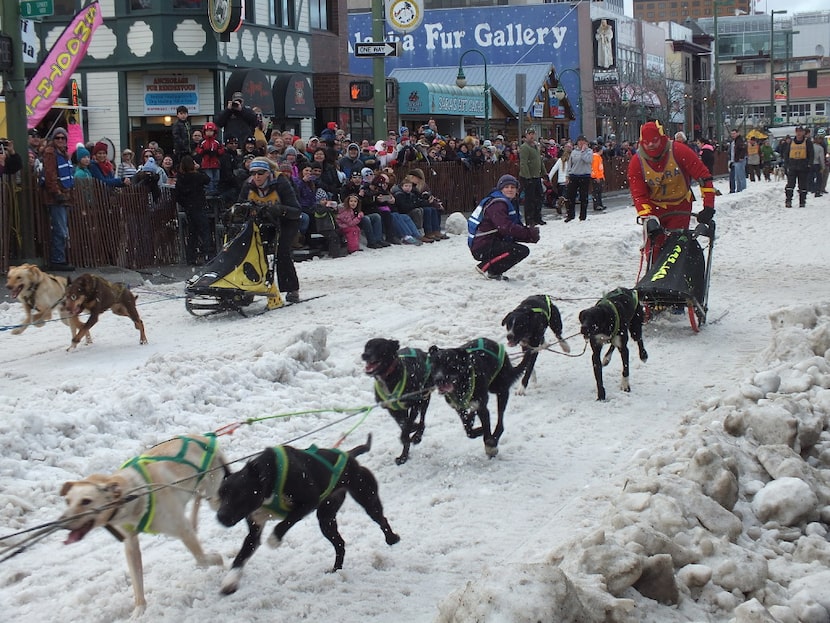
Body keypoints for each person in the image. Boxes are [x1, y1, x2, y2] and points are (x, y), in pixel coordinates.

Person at [627, 120, 716, 259]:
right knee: (654, 250)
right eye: (647, 142)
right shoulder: (637, 162)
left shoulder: (680, 151)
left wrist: (708, 206)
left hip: (680, 206)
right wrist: (647, 216)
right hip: (654, 208)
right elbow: (639, 194)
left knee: (676, 248)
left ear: (661, 138)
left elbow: (704, 177)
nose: (650, 145)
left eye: (654, 141)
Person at [237, 157, 302, 302]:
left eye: (260, 173)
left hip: (286, 221)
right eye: (253, 173)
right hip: (263, 221)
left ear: (268, 173)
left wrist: (278, 209)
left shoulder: (281, 182)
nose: (257, 176)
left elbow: (296, 210)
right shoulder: (248, 186)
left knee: (282, 251)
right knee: (253, 251)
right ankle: (252, 285)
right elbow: (240, 206)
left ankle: (291, 288)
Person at [468, 174, 540, 281]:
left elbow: (509, 230)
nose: (510, 190)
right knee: (519, 251)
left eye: (512, 187)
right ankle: (486, 266)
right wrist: (528, 233)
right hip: (483, 245)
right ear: (500, 189)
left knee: (519, 250)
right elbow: (505, 227)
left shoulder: (504, 202)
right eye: (506, 187)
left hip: (486, 242)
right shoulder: (497, 204)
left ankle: (493, 272)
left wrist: (529, 236)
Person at [40, 127, 75, 271]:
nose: (60, 140)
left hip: (65, 195)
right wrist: (57, 193)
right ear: (53, 140)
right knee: (59, 229)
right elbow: (50, 175)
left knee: (62, 229)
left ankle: (59, 258)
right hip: (56, 197)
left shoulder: (63, 153)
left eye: (63, 138)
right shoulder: (50, 152)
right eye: (57, 138)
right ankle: (57, 259)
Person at [173, 155, 211, 265]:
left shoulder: (181, 179)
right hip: (198, 206)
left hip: (189, 208)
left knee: (192, 232)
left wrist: (186, 204)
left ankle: (191, 257)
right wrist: (199, 169)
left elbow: (178, 195)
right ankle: (207, 254)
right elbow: (207, 179)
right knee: (204, 230)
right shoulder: (197, 176)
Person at [781, 125, 814, 208]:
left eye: (800, 131)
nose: (799, 133)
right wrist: (787, 164)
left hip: (803, 166)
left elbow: (811, 154)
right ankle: (788, 201)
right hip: (792, 165)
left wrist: (809, 164)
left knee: (802, 185)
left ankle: (802, 201)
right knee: (790, 184)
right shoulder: (791, 143)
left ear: (803, 133)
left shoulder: (807, 142)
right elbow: (786, 154)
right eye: (797, 131)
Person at [519, 128, 546, 226]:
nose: (531, 136)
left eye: (533, 134)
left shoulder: (535, 147)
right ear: (526, 136)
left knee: (539, 197)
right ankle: (529, 219)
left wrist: (544, 172)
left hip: (536, 176)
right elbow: (523, 163)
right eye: (530, 134)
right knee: (530, 199)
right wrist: (527, 177)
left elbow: (539, 160)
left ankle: (537, 217)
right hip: (528, 177)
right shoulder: (524, 147)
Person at [564, 135, 593, 222]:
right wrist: (567, 175)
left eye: (583, 141)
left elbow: (588, 160)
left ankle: (583, 216)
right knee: (570, 196)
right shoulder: (574, 152)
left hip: (584, 175)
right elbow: (570, 164)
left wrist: (583, 151)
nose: (581, 143)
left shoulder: (589, 152)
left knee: (583, 197)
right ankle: (570, 215)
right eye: (579, 141)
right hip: (574, 175)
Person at [195, 121, 224, 195]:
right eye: (207, 131)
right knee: (209, 179)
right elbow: (198, 150)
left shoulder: (217, 142)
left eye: (211, 131)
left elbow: (222, 150)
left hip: (216, 163)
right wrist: (204, 151)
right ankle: (210, 192)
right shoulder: (203, 142)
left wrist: (217, 152)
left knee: (216, 179)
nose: (209, 133)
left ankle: (215, 191)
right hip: (206, 163)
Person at [547, 144, 571, 216]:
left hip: (560, 181)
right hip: (567, 180)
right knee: (567, 197)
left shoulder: (560, 160)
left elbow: (554, 169)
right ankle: (566, 209)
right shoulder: (570, 160)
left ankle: (560, 205)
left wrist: (549, 178)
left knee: (562, 196)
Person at [728, 128, 747, 193]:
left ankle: (743, 189)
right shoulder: (735, 141)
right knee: (737, 176)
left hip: (739, 160)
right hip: (735, 160)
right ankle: (739, 189)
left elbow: (743, 149)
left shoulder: (739, 141)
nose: (733, 135)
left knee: (741, 175)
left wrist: (741, 157)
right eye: (732, 134)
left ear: (738, 133)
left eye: (734, 133)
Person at [591, 143, 606, 212]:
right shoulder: (595, 157)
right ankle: (597, 205)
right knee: (596, 192)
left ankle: (600, 204)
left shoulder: (598, 157)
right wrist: (597, 177)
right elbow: (595, 168)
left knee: (598, 192)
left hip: (599, 176)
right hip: (596, 177)